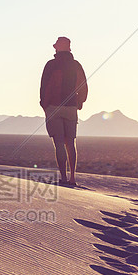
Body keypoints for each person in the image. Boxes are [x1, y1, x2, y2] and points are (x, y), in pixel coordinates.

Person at [40, 36, 88, 186]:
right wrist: (79, 102)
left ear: (58, 47)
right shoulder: (76, 65)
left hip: (54, 107)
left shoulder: (51, 65)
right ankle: (72, 177)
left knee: (59, 143)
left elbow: (44, 87)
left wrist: (45, 105)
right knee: (71, 143)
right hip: (71, 108)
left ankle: (63, 178)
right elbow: (83, 86)